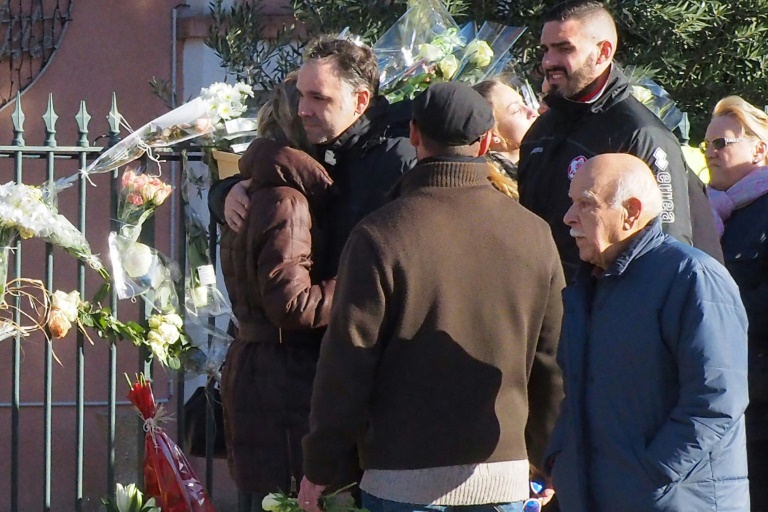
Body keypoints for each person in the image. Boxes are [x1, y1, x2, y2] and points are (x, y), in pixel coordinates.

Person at [298, 82, 565, 512]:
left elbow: (347, 361)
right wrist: (548, 455)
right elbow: (550, 360)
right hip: (502, 472)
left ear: (414, 134)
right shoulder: (533, 233)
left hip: (402, 478)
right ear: (486, 142)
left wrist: (322, 466)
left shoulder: (381, 234)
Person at [547, 153, 750, 511]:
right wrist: (561, 458)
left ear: (631, 212)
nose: (569, 217)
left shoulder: (691, 277)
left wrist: (653, 472)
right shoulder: (589, 286)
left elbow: (716, 399)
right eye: (571, 201)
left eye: (586, 203)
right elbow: (578, 390)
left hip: (675, 499)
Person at [518, 0, 721, 281]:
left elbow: (669, 246)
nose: (548, 62)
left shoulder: (640, 133)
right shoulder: (541, 131)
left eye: (564, 48)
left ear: (603, 52)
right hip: (542, 296)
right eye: (546, 49)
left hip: (605, 300)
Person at [218, 74, 343, 512]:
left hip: (261, 370)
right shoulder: (288, 201)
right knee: (283, 496)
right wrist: (352, 285)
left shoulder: (256, 190)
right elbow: (292, 304)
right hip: (283, 379)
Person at [209, 36, 417, 279]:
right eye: (301, 95)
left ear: (360, 101)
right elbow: (273, 172)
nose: (302, 110)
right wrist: (226, 193)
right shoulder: (320, 145)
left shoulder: (398, 160)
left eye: (318, 98)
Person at [703, 95, 768, 511]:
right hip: (713, 401)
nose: (710, 152)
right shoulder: (702, 213)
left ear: (759, 150)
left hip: (758, 404)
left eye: (721, 143)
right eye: (706, 144)